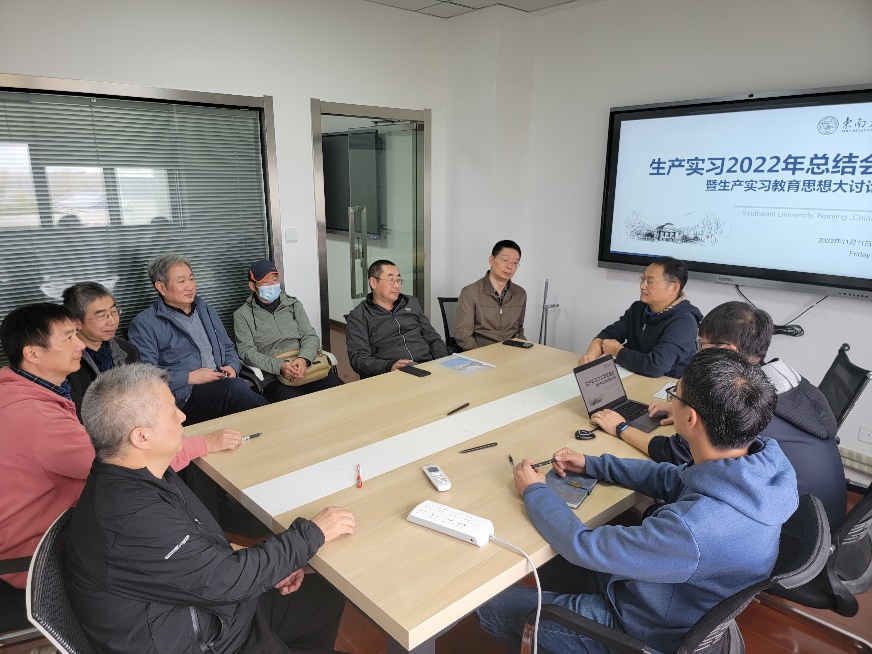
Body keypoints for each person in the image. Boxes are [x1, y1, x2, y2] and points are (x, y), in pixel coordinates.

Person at [477, 348, 798, 654]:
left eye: (674, 396)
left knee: (489, 607)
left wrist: (535, 491)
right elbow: (671, 478)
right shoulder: (758, 466)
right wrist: (592, 464)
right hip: (673, 598)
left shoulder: (694, 530)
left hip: (640, 628)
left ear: (690, 419)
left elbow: (583, 546)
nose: (671, 402)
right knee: (552, 559)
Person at [64, 363, 355, 654]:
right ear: (141, 437)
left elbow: (205, 555)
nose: (183, 416)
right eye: (172, 411)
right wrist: (311, 534)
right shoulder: (130, 517)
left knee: (324, 595)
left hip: (217, 612)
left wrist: (278, 566)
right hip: (213, 643)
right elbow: (226, 580)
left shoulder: (139, 475)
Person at [0, 304, 233, 592]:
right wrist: (204, 443)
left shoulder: (20, 391)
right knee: (176, 551)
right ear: (33, 353)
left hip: (57, 523)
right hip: (40, 552)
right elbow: (126, 468)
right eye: (69, 337)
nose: (80, 344)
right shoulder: (39, 420)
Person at [597, 301, 845, 526]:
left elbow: (677, 454)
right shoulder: (781, 380)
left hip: (790, 528)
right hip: (823, 514)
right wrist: (682, 408)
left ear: (726, 350)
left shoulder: (744, 403)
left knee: (655, 512)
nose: (696, 352)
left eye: (701, 345)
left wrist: (621, 428)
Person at [128, 254, 268, 424]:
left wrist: (232, 366)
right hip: (183, 398)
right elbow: (147, 377)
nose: (190, 286)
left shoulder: (206, 310)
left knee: (245, 399)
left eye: (192, 279)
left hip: (221, 384)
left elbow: (228, 347)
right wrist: (189, 377)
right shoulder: (145, 324)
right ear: (161, 287)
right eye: (181, 281)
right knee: (234, 391)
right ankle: (279, 422)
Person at [234, 259, 342, 403]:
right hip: (274, 375)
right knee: (295, 406)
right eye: (265, 282)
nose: (272, 285)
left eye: (275, 280)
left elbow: (309, 336)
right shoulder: (242, 315)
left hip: (307, 367)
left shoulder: (294, 305)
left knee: (340, 392)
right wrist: (279, 366)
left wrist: (304, 359)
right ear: (252, 286)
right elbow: (247, 352)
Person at [578, 257, 702, 378]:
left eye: (650, 282)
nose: (642, 285)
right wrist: (590, 356)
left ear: (673, 288)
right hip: (633, 375)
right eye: (643, 279)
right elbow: (608, 335)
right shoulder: (639, 308)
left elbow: (656, 366)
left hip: (664, 384)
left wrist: (618, 352)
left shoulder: (684, 322)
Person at [346, 260, 448, 378]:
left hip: (427, 366)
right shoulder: (359, 315)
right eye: (391, 280)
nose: (397, 286)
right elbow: (358, 359)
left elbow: (433, 338)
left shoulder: (411, 303)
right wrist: (389, 366)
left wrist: (444, 362)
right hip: (392, 374)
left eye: (398, 280)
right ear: (373, 282)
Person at [62, 281, 139, 417]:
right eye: (101, 316)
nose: (112, 321)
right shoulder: (65, 361)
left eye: (114, 312)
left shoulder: (127, 350)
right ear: (76, 322)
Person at [455, 240, 527, 350]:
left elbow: (519, 330)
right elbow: (463, 336)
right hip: (482, 352)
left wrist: (522, 348)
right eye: (505, 260)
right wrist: (484, 356)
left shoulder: (520, 294)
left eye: (515, 263)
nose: (510, 266)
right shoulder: (470, 293)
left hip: (511, 352)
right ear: (491, 260)